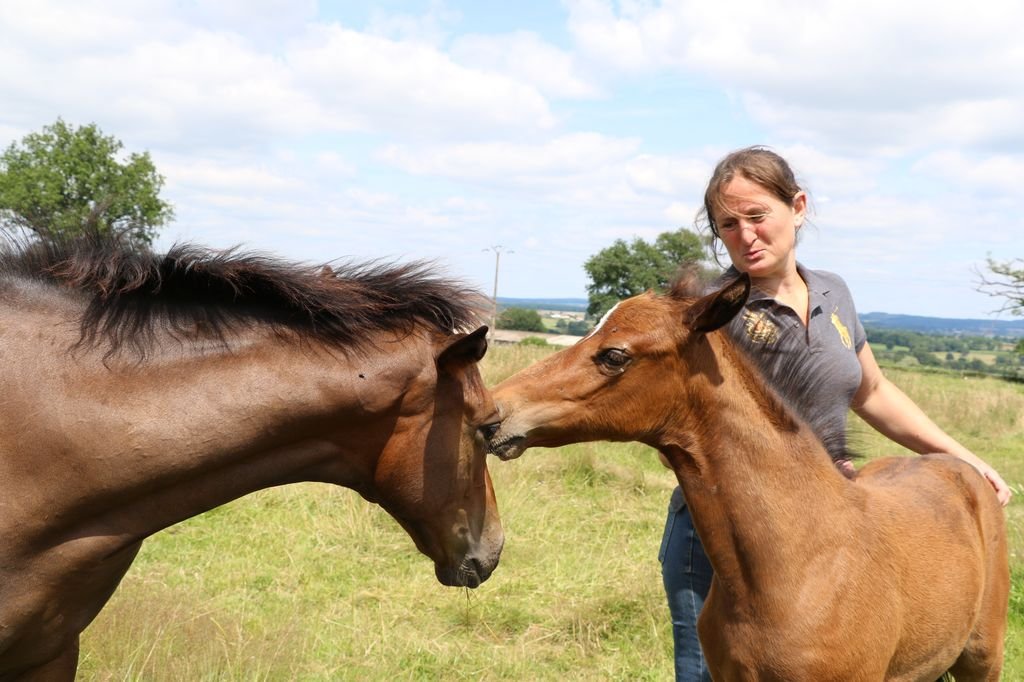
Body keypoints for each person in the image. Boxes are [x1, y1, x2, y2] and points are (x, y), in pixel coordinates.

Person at [658, 146, 1013, 682]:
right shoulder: (709, 314)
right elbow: (683, 436)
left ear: (797, 207)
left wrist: (966, 459)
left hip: (827, 533)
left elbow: (873, 391)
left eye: (757, 215)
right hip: (724, 541)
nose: (745, 235)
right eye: (728, 224)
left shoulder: (832, 292)